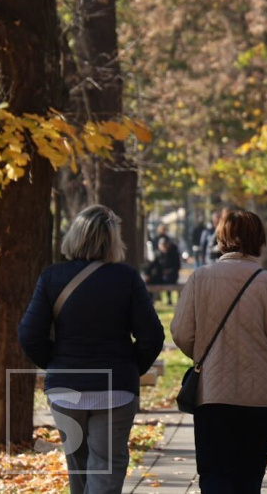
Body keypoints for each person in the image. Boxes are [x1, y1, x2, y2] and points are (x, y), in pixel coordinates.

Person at [18, 204, 165, 494]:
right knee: (106, 469)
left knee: (79, 468)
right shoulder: (126, 278)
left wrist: (57, 364)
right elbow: (151, 336)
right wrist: (130, 368)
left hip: (66, 388)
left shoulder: (52, 277)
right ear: (113, 241)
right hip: (115, 388)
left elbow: (29, 334)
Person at [171, 209, 267, 494]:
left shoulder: (200, 279)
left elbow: (181, 333)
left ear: (221, 238)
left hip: (211, 394)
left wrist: (203, 357)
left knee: (214, 476)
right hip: (260, 399)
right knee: (249, 479)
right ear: (259, 240)